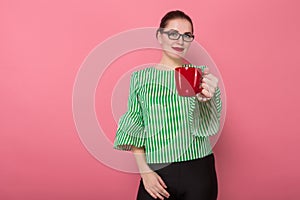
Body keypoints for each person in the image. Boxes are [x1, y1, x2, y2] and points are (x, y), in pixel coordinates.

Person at [113, 10, 222, 200]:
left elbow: (209, 122)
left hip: (198, 170)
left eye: (187, 36)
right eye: (173, 34)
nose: (180, 41)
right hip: (158, 171)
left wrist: (208, 99)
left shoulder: (200, 76)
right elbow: (136, 127)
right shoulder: (141, 78)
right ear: (159, 36)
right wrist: (145, 172)